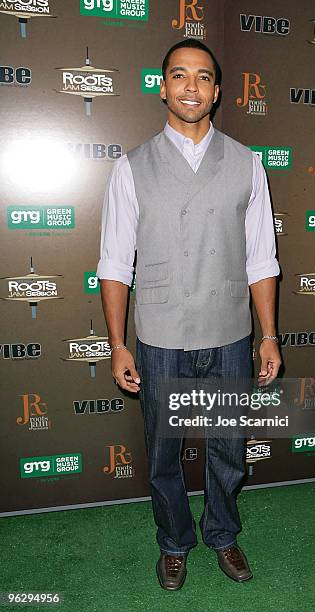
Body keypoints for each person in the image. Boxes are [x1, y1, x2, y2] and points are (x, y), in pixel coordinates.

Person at [96, 38, 282, 591]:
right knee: (163, 454)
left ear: (218, 91)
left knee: (228, 448)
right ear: (163, 86)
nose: (192, 86)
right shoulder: (131, 168)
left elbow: (261, 257)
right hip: (159, 334)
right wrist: (117, 343)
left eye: (203, 77)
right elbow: (113, 260)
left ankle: (222, 533)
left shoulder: (249, 164)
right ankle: (174, 542)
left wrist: (269, 335)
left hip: (229, 332)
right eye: (180, 75)